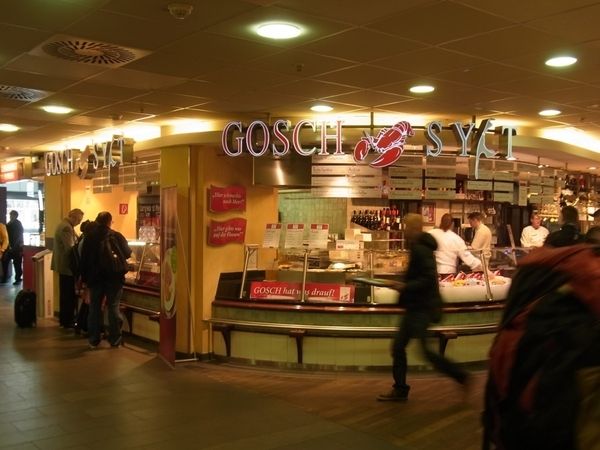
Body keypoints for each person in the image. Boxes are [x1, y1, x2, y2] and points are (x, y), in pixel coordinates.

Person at [378, 214, 469, 401]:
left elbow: (427, 278)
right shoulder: (420, 247)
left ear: (414, 228)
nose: (404, 230)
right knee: (399, 347)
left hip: (422, 307)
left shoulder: (421, 249)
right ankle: (400, 389)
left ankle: (461, 376)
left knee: (421, 351)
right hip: (417, 306)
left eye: (407, 226)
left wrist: (404, 286)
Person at [80, 211, 131, 349]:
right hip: (114, 278)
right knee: (113, 307)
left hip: (95, 279)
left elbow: (84, 260)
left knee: (95, 308)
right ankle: (115, 339)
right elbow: (127, 253)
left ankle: (94, 339)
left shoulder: (90, 237)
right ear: (110, 221)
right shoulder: (116, 235)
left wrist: (85, 280)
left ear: (97, 221)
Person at [51, 208, 84, 328]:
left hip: (63, 266)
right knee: (68, 295)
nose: (79, 223)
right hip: (67, 266)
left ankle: (65, 320)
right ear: (73, 217)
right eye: (79, 220)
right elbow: (70, 248)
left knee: (65, 294)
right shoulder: (66, 228)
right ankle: (67, 320)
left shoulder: (64, 225)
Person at [2, 210, 24, 285]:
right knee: (5, 261)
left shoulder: (18, 223)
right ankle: (5, 277)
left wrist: (14, 246)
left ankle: (18, 278)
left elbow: (19, 236)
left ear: (15, 216)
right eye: (10, 215)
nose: (10, 216)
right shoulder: (9, 223)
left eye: (11, 215)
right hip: (9, 246)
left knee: (17, 263)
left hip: (16, 247)